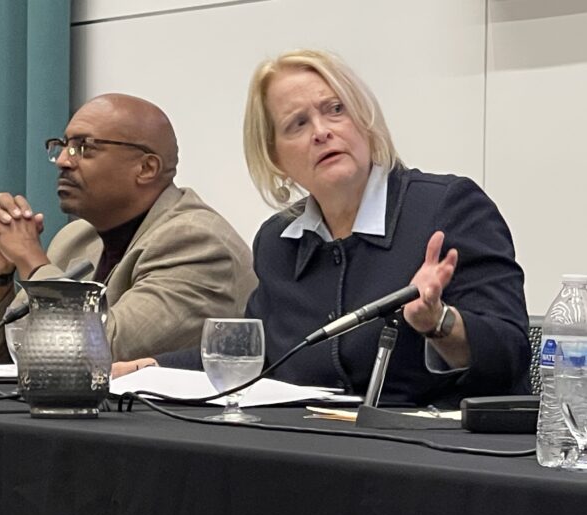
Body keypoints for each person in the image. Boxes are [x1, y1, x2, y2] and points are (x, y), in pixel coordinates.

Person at [127, 50, 530, 407]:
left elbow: (510, 353)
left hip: (436, 462)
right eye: (297, 124)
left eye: (336, 109)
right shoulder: (279, 241)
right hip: (317, 457)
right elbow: (260, 356)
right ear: (276, 158)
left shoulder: (448, 207)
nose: (322, 131)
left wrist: (439, 322)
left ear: (365, 122)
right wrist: (146, 368)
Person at [0, 93, 257, 365]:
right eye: (62, 146)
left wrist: (32, 262)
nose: (61, 160)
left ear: (146, 168)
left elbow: (98, 354)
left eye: (83, 147)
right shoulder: (75, 240)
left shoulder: (196, 243)